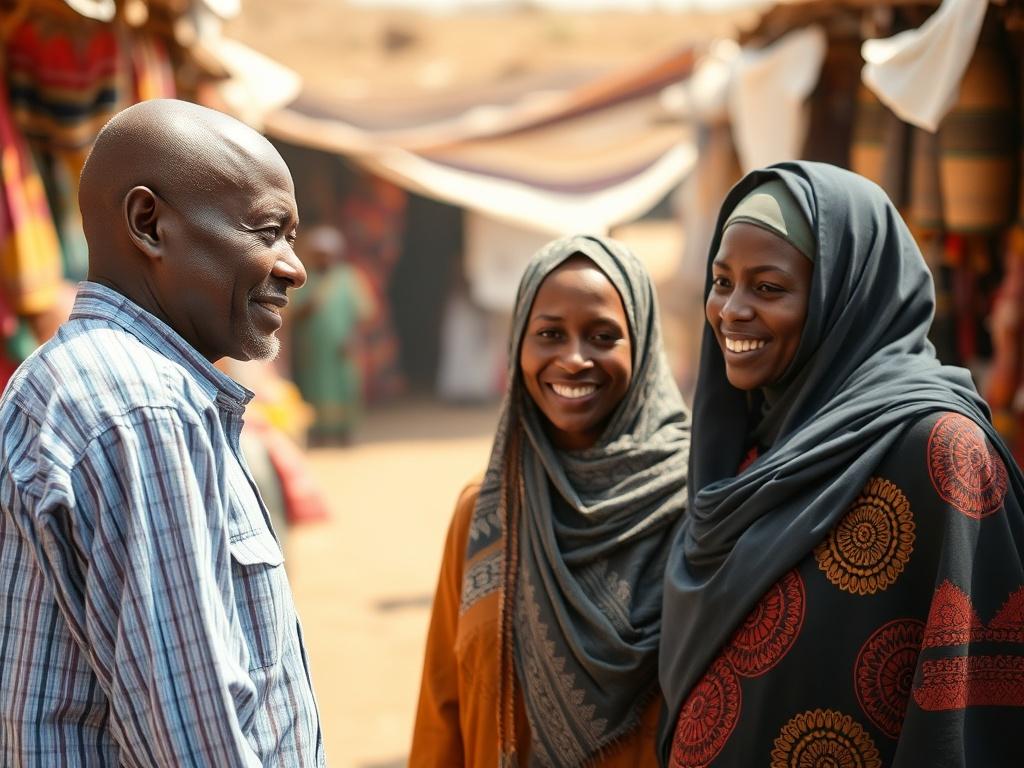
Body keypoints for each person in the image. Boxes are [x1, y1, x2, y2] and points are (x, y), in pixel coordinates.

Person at [659, 161, 1024, 768]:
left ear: (846, 296)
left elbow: (973, 705)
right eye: (722, 282)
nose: (731, 311)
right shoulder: (745, 453)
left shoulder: (937, 451)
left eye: (769, 287)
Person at [0, 99, 325, 766]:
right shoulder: (143, 408)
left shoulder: (71, 378)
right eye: (267, 232)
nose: (293, 267)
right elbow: (189, 735)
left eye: (291, 238)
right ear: (149, 224)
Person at [411, 235, 691, 767]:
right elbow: (442, 709)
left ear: (644, 347)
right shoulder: (487, 511)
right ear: (519, 344)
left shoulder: (696, 504)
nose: (574, 359)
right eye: (549, 334)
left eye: (603, 335)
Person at [289, 224, 373, 445]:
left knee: (345, 386)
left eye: (326, 255)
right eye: (318, 255)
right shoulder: (303, 279)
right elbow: (290, 314)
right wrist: (307, 308)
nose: (322, 259)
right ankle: (318, 433)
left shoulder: (349, 278)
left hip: (342, 347)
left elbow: (364, 313)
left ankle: (345, 432)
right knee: (314, 387)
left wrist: (353, 338)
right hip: (314, 349)